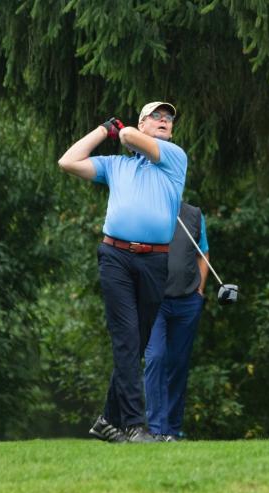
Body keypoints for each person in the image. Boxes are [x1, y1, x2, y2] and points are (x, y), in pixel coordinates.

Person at [58, 101, 187, 443]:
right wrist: (103, 130)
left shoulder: (174, 157)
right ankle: (134, 426)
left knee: (136, 344)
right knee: (127, 339)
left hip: (155, 261)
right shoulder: (117, 165)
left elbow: (128, 135)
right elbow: (67, 161)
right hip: (115, 256)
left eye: (168, 118)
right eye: (156, 116)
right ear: (143, 123)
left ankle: (106, 420)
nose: (164, 121)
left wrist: (123, 130)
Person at [144, 202, 209, 442]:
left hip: (187, 301)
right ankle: (156, 429)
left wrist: (200, 290)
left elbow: (203, 253)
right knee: (156, 357)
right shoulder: (146, 210)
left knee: (178, 365)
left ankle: (171, 429)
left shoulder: (193, 215)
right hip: (155, 301)